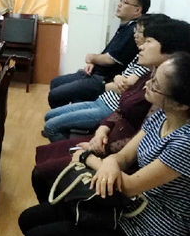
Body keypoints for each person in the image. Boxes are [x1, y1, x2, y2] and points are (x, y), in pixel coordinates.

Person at [20, 52, 190, 236]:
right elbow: (124, 156)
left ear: (181, 105)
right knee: (27, 219)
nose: (147, 84)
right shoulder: (162, 115)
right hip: (125, 206)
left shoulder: (185, 143)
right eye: (152, 76)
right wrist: (110, 162)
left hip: (149, 233)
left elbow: (130, 186)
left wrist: (87, 158)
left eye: (156, 85)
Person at [33, 17, 190, 202]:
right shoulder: (150, 79)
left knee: (45, 169)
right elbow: (121, 109)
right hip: (108, 144)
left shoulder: (165, 100)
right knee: (44, 162)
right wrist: (102, 132)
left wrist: (95, 154)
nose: (141, 45)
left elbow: (133, 166)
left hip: (114, 158)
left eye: (148, 41)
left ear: (172, 52)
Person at [42, 14, 172, 142]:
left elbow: (123, 86)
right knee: (49, 115)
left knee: (51, 125)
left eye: (141, 33)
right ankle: (65, 138)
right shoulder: (139, 55)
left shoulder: (148, 63)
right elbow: (118, 80)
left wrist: (113, 81)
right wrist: (116, 78)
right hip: (102, 99)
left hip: (107, 108)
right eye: (135, 31)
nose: (135, 35)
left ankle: (66, 148)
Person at [48, 0, 150, 109]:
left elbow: (109, 59)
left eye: (125, 2)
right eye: (121, 0)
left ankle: (62, 116)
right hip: (95, 72)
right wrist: (93, 62)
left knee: (55, 95)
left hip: (103, 79)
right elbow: (108, 53)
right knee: (56, 82)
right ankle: (65, 113)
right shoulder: (126, 26)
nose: (119, 4)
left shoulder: (133, 31)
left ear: (137, 10)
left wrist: (91, 57)